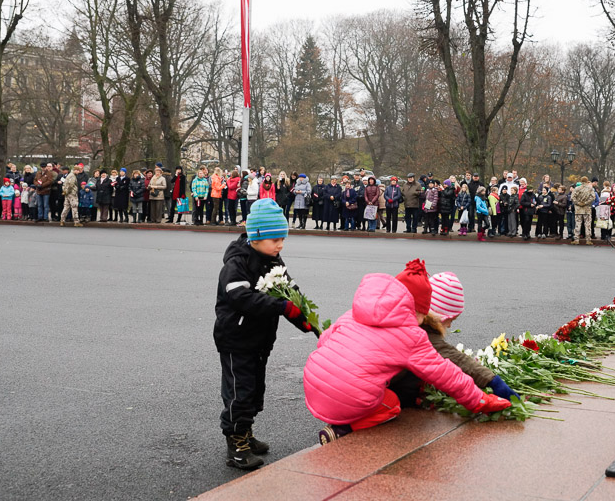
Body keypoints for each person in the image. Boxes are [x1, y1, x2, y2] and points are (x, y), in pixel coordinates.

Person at [304, 259, 511, 444]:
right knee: (392, 405)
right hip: (350, 397)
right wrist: (481, 400)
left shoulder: (354, 313)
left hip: (314, 387)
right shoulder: (411, 334)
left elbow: (324, 341)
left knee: (355, 384)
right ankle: (342, 429)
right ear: (419, 310)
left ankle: (341, 413)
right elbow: (446, 374)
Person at [214, 198, 314, 470]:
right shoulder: (237, 263)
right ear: (256, 236)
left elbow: (290, 291)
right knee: (239, 391)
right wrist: (280, 307)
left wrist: (304, 319)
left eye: (283, 239)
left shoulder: (273, 259)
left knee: (255, 388)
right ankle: (236, 443)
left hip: (259, 339)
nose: (280, 245)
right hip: (236, 339)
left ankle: (246, 432)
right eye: (275, 239)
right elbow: (240, 297)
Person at [389, 272, 520, 408]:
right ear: (438, 315)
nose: (450, 325)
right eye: (450, 319)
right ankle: (406, 400)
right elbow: (456, 359)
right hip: (384, 390)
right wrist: (493, 382)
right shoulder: (421, 334)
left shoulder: (405, 318)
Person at [572, 177, 595, 244]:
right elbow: (593, 197)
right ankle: (588, 239)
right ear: (587, 181)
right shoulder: (590, 188)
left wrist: (578, 203)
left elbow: (573, 197)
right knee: (587, 224)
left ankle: (576, 239)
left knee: (578, 224)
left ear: (581, 181)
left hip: (578, 209)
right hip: (587, 209)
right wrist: (586, 203)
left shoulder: (577, 188)